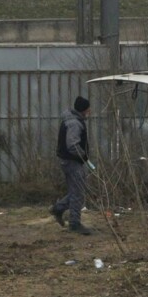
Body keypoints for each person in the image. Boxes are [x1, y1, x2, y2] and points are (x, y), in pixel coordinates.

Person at [52, 94, 93, 234]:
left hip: (68, 161)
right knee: (78, 193)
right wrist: (83, 156)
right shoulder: (75, 123)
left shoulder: (71, 120)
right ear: (83, 110)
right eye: (88, 110)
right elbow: (73, 145)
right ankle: (75, 223)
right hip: (73, 161)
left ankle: (58, 208)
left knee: (76, 191)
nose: (89, 112)